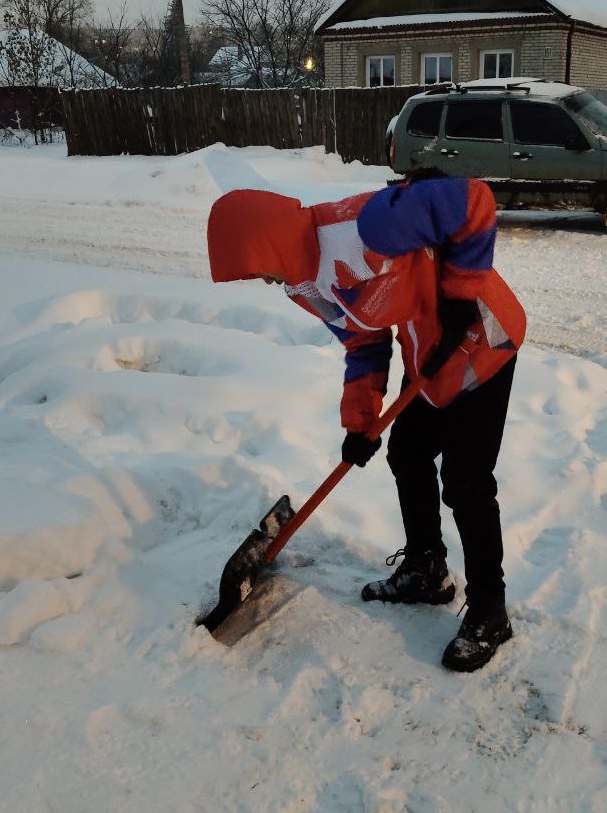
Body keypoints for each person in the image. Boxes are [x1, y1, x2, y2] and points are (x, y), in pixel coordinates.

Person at [206, 173, 525, 672]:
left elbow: (473, 201)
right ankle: (427, 568)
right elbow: (363, 340)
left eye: (253, 269)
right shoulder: (306, 284)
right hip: (430, 358)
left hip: (484, 341)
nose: (262, 282)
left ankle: (491, 609)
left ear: (265, 241)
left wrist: (462, 296)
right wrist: (359, 421)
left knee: (466, 482)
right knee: (408, 453)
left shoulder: (367, 225)